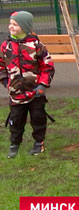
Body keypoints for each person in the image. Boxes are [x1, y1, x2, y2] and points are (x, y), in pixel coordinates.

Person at [0, 11, 55, 158]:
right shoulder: (6, 46)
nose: (11, 27)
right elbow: (1, 66)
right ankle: (14, 144)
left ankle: (39, 142)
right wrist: (6, 82)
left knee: (38, 118)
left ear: (24, 27)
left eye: (15, 24)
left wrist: (42, 85)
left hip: (35, 92)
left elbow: (47, 67)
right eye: (10, 23)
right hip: (16, 93)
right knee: (16, 120)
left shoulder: (36, 45)